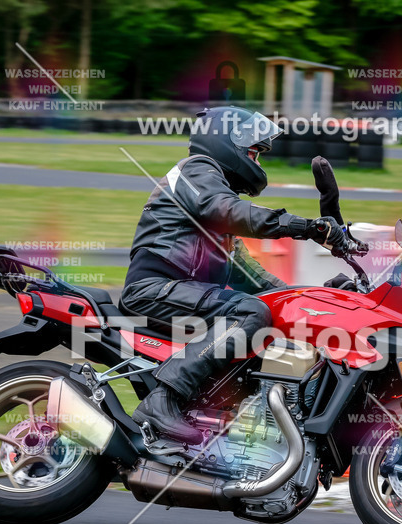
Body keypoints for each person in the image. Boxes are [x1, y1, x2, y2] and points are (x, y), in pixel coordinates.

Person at [121, 106, 349, 445]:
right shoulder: (197, 172)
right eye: (255, 152)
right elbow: (232, 211)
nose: (258, 161)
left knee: (269, 312)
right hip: (154, 289)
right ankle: (162, 399)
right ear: (223, 139)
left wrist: (315, 299)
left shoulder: (218, 220)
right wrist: (305, 227)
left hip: (184, 291)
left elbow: (260, 282)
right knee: (249, 312)